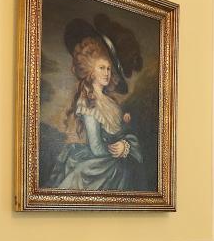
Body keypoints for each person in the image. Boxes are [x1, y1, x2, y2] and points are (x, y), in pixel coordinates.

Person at [49, 18, 143, 191]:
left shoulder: (111, 102)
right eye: (101, 68)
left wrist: (126, 145)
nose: (107, 73)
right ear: (90, 70)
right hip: (100, 167)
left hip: (118, 159)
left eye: (109, 69)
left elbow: (122, 131)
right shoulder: (87, 102)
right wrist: (121, 150)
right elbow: (97, 148)